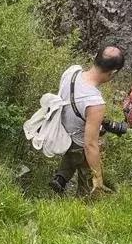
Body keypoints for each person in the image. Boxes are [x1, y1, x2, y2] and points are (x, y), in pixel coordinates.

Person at [50, 45, 125, 197]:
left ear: (95, 58)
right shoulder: (95, 102)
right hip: (79, 144)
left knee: (69, 163)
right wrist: (98, 176)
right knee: (88, 188)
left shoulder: (72, 72)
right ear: (113, 72)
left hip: (61, 133)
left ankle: (61, 182)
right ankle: (84, 204)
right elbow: (90, 145)